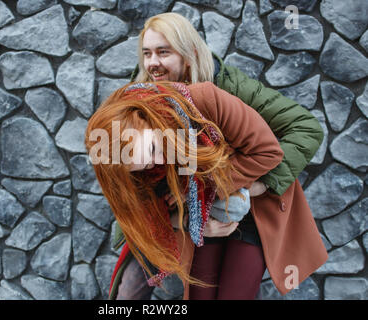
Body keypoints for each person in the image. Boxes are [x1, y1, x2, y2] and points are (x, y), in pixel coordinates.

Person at [108, 12, 327, 300]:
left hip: (251, 208)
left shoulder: (225, 88)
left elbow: (306, 129)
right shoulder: (138, 99)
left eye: (163, 52)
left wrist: (261, 183)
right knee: (139, 294)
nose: (152, 63)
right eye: (146, 53)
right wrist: (185, 218)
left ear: (188, 55)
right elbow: (128, 180)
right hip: (190, 212)